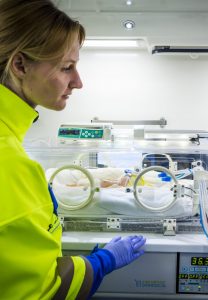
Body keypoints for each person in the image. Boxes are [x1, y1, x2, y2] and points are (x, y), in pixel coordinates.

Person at [0, 0, 146, 299]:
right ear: (20, 65)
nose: (78, 82)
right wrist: (100, 263)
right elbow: (42, 291)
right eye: (67, 68)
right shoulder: (10, 163)